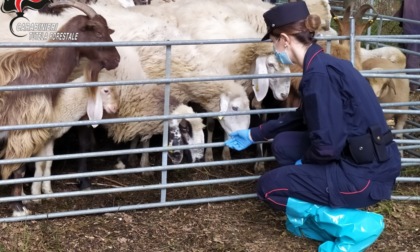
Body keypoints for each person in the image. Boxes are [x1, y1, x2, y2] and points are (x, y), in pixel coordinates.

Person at [225, 2, 402, 251]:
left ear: (284, 40)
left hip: (364, 177)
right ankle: (316, 193)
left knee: (268, 187)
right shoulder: (329, 65)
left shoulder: (318, 77)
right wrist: (255, 134)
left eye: (274, 41)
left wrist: (306, 162)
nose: (275, 48)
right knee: (285, 144)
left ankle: (353, 224)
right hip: (370, 161)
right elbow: (302, 116)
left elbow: (328, 146)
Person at [394, 0, 420, 92]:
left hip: (410, 26)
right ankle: (412, 86)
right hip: (413, 26)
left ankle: (411, 85)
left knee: (411, 56)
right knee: (413, 56)